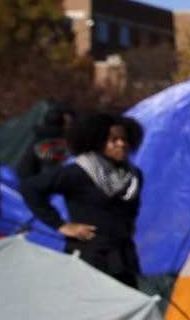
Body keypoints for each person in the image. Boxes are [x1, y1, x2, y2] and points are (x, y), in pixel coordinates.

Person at [19, 112, 144, 288]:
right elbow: (30, 188)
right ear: (97, 141)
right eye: (113, 140)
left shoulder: (133, 176)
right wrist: (60, 225)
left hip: (123, 255)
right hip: (91, 254)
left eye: (124, 139)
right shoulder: (79, 172)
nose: (121, 144)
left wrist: (127, 223)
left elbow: (132, 208)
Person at [17, 106, 75, 180]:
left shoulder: (39, 138)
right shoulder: (60, 143)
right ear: (62, 123)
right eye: (67, 124)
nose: (67, 126)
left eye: (69, 124)